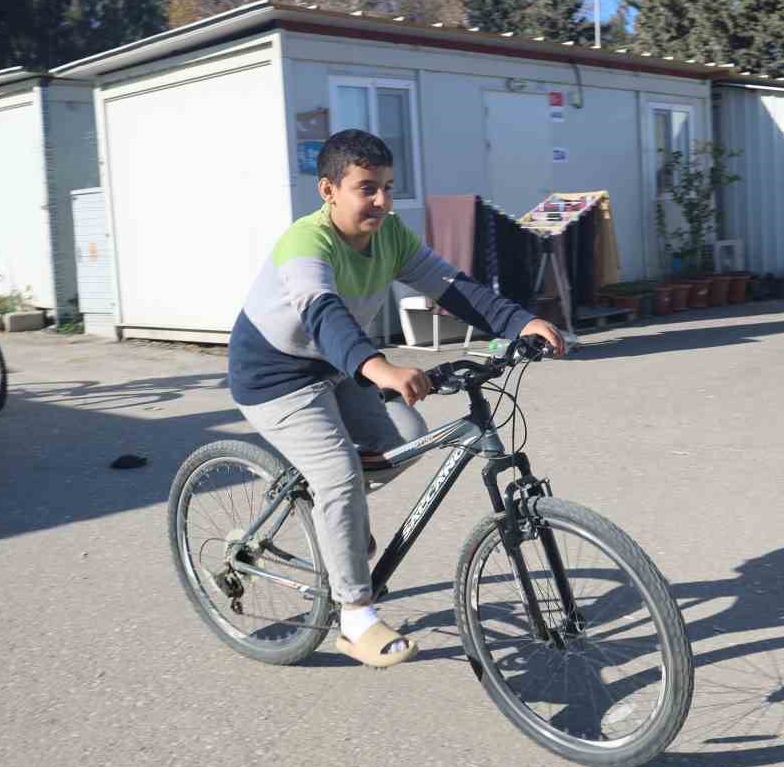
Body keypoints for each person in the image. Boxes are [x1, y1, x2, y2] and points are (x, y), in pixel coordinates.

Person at [230, 129, 565, 668]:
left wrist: (518, 321)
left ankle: (336, 518)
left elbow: (452, 286)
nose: (382, 201)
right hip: (274, 375)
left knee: (408, 437)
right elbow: (323, 314)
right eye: (367, 188)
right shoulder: (304, 243)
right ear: (328, 191)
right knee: (338, 474)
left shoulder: (390, 236)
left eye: (388, 187)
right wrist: (379, 367)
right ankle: (354, 617)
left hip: (338, 365)